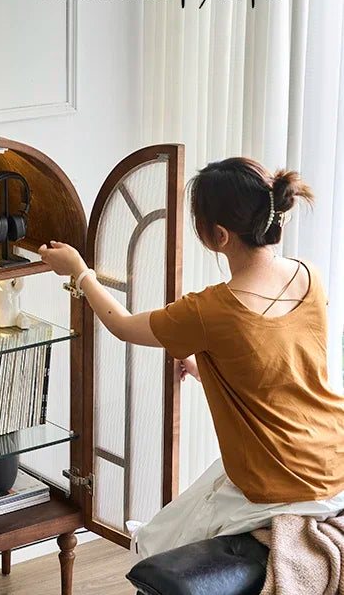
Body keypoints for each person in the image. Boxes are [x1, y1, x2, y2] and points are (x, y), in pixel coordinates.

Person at [39, 157, 344, 559]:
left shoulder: (209, 311)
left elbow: (122, 325)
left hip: (280, 480)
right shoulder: (308, 276)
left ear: (219, 235)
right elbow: (281, 365)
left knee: (157, 543)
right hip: (334, 455)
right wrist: (209, 368)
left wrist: (79, 272)